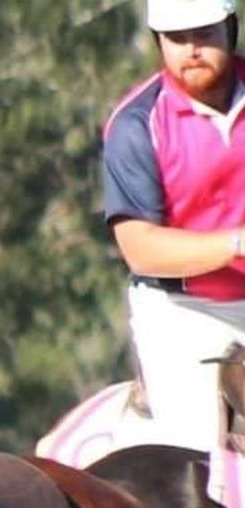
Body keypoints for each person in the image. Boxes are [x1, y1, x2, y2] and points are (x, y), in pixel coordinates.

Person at [103, 0, 245, 461]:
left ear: (231, 30)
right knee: (198, 462)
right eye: (176, 39)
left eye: (204, 34)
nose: (192, 49)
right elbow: (141, 248)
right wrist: (237, 244)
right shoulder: (136, 124)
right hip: (185, 314)